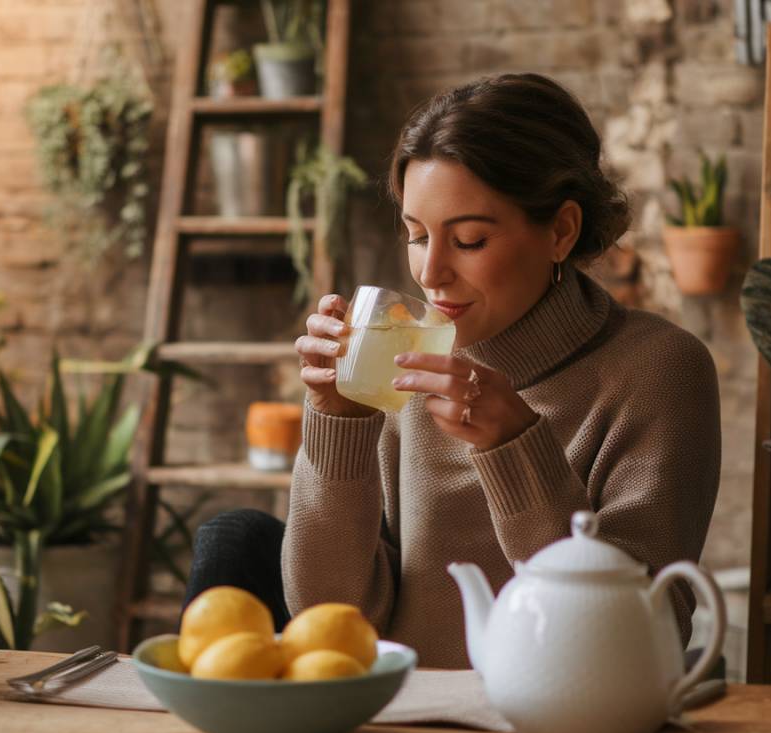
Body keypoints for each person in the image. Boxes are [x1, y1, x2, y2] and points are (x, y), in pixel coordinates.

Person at [183, 73, 721, 669]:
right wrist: (338, 427)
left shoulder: (658, 369)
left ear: (561, 231)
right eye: (416, 236)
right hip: (394, 709)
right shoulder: (400, 357)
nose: (430, 273)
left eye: (467, 240)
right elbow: (331, 616)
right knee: (232, 538)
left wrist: (518, 447)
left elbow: (636, 639)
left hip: (554, 713)